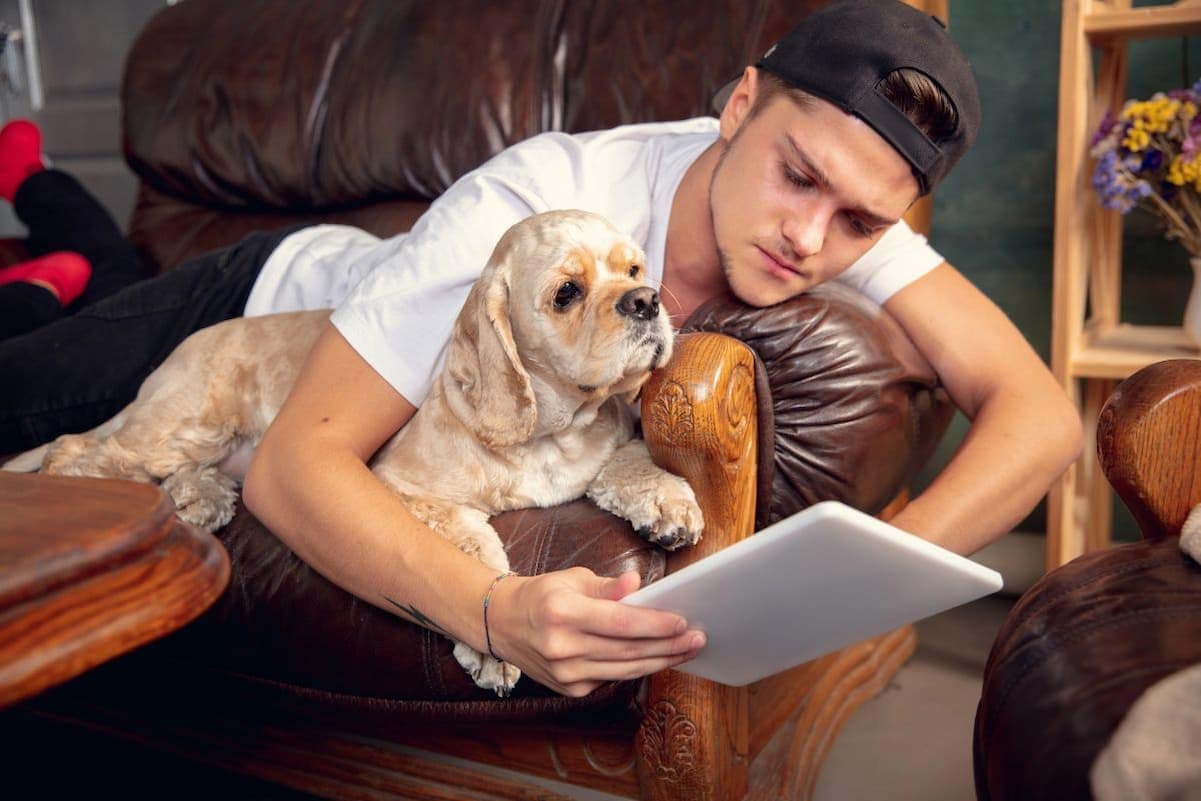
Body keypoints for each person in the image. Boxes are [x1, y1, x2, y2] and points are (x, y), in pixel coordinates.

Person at [0, 0, 1082, 697]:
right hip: (252, 308)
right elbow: (293, 467)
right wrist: (491, 608)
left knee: (81, 286)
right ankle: (48, 253)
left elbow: (1038, 418)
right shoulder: (528, 200)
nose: (811, 238)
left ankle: (54, 255)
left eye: (858, 224)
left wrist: (859, 587)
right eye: (797, 176)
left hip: (271, 296)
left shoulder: (827, 213)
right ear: (739, 105)